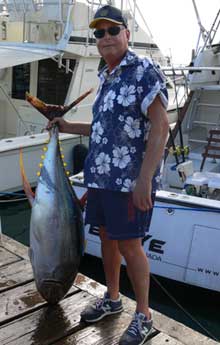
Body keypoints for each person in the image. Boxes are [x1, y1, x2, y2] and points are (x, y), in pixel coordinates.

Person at [48, 5, 169, 345]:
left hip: (129, 181)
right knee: (106, 240)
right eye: (99, 33)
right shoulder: (106, 76)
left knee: (131, 245)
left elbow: (161, 126)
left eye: (113, 30)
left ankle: (144, 316)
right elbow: (105, 128)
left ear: (127, 34)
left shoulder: (144, 70)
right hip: (100, 178)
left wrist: (145, 179)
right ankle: (113, 299)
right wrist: (68, 125)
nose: (106, 38)